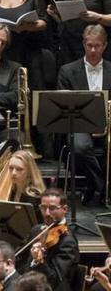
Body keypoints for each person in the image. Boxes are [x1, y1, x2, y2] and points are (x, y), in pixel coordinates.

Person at [57, 24, 111, 205]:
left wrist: (106, 124)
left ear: (105, 45)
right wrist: (88, 125)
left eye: (98, 46)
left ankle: (92, 184)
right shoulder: (67, 70)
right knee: (79, 146)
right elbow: (63, 106)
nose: (93, 50)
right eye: (90, 45)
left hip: (108, 125)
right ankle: (102, 185)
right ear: (83, 44)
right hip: (79, 124)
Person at [17, 188, 79, 291]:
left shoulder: (68, 241)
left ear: (65, 209)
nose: (46, 213)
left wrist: (39, 261)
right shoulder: (36, 230)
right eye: (43, 207)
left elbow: (53, 279)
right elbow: (19, 258)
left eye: (52, 208)